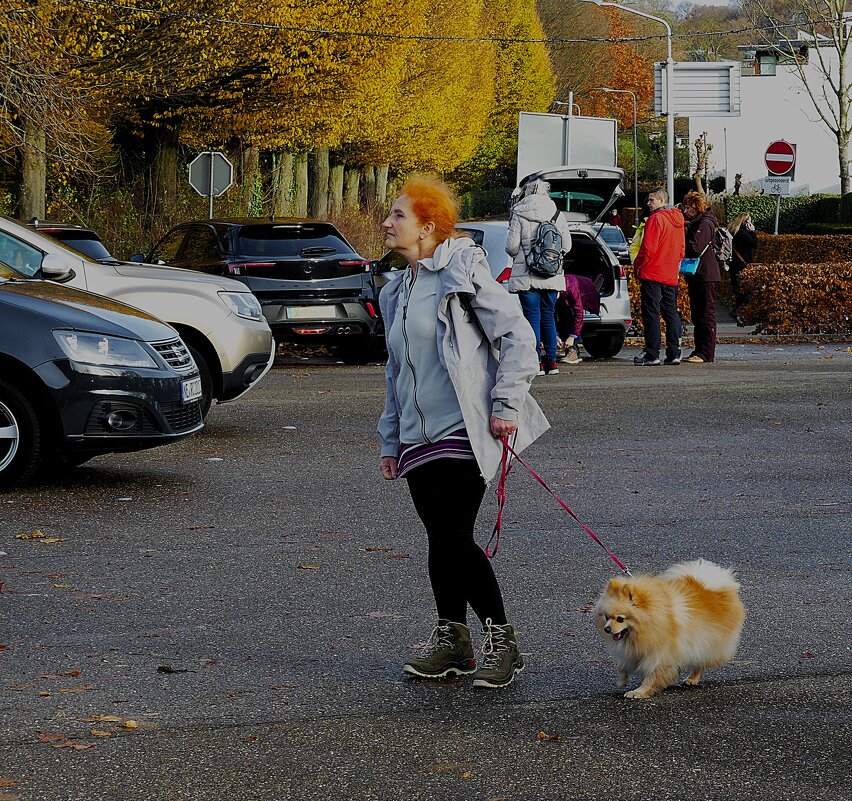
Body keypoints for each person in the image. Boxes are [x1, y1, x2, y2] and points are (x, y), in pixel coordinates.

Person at [377, 174, 549, 690]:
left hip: (465, 427)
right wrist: (391, 438)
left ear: (428, 226)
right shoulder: (396, 290)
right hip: (415, 433)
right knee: (440, 538)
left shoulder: (462, 270)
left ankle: (502, 640)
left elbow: (519, 336)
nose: (387, 222)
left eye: (398, 215)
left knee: (453, 535)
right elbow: (395, 369)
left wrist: (506, 404)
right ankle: (453, 640)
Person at [505, 179, 571, 376]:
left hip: (527, 274)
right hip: (551, 274)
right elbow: (566, 246)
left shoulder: (519, 213)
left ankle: (536, 362)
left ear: (526, 193)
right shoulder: (557, 214)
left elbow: (511, 247)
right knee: (549, 316)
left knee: (531, 316)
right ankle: (551, 362)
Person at [631, 187, 685, 366]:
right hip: (670, 274)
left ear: (662, 200)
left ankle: (652, 353)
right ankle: (674, 352)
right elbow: (682, 250)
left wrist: (637, 265)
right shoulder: (678, 220)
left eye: (651, 200)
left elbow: (648, 248)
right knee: (671, 312)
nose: (648, 203)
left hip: (653, 271)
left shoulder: (656, 219)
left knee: (651, 313)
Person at [682, 191, 722, 363]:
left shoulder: (705, 223)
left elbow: (696, 247)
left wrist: (684, 235)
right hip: (699, 274)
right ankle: (699, 350)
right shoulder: (698, 222)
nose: (685, 211)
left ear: (697, 207)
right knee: (698, 314)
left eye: (689, 207)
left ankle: (706, 353)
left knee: (706, 314)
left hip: (705, 274)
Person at [555, 273, 598, 364]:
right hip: (564, 295)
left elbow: (579, 313)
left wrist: (572, 336)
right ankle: (566, 347)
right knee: (562, 315)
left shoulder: (572, 287)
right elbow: (550, 315)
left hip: (585, 292)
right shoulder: (551, 291)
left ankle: (573, 350)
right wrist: (555, 335)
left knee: (569, 317)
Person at [727, 212, 757, 316]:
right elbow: (754, 243)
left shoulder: (733, 231)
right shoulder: (742, 233)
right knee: (745, 288)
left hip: (735, 263)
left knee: (739, 287)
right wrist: (753, 231)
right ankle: (738, 310)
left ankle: (738, 309)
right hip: (742, 263)